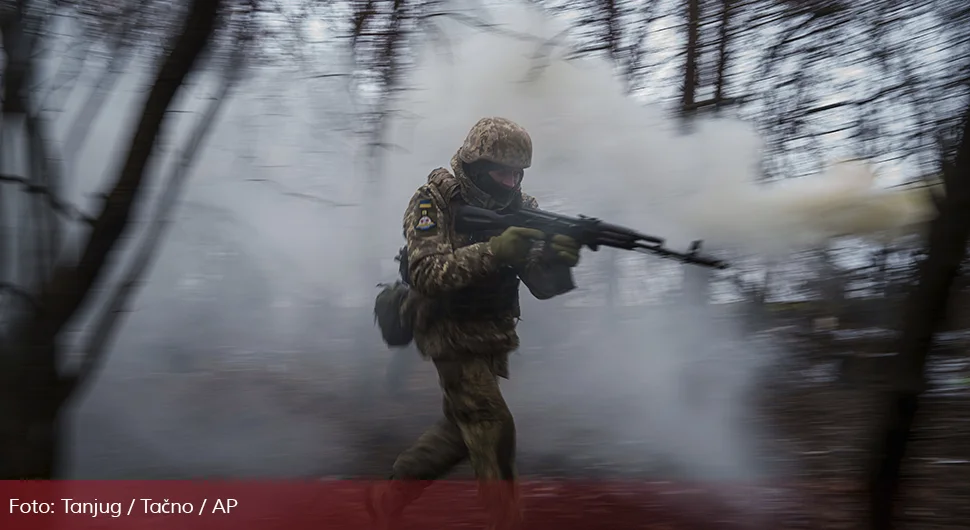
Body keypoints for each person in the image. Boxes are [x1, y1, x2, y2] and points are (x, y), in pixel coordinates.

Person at [366, 117, 581, 529]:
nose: (512, 181)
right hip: (444, 327)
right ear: (479, 167)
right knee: (490, 424)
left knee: (460, 431)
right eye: (504, 171)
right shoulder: (433, 202)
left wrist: (556, 258)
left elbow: (541, 285)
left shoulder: (524, 209)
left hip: (490, 334)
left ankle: (386, 499)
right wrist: (496, 251)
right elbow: (428, 273)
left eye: (519, 173)